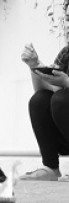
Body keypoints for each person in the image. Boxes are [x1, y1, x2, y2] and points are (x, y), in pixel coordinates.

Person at [19, 42, 69, 181]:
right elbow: (49, 90)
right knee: (40, 100)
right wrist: (34, 66)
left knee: (61, 99)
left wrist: (66, 82)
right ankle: (51, 168)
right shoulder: (66, 53)